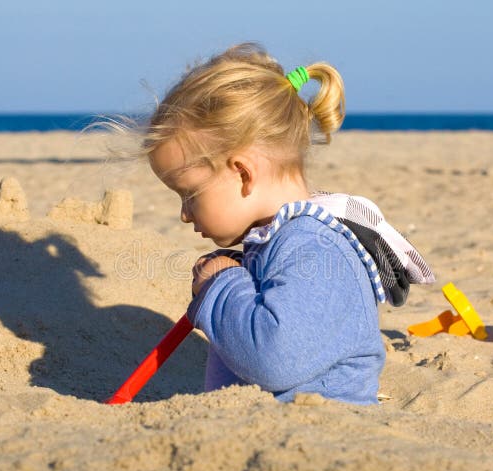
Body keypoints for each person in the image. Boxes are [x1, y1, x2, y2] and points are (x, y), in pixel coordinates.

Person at [142, 43, 434, 404]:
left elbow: (276, 359)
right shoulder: (282, 238)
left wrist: (222, 286)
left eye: (189, 194)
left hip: (322, 437)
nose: (184, 214)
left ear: (243, 174)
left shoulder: (314, 244)